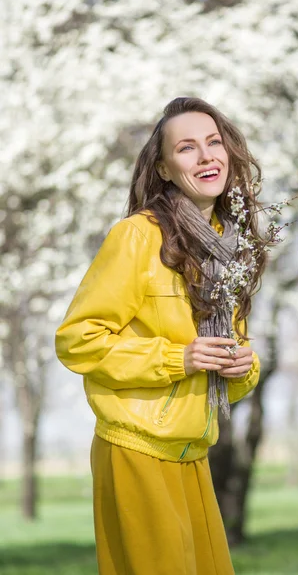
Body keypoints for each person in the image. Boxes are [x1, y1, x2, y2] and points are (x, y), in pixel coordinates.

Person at [55, 96, 268, 575]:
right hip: (136, 447)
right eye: (187, 148)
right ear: (165, 169)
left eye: (214, 142)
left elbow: (231, 357)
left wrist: (242, 365)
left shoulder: (227, 249)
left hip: (192, 451)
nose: (207, 156)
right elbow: (78, 338)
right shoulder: (136, 236)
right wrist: (178, 359)